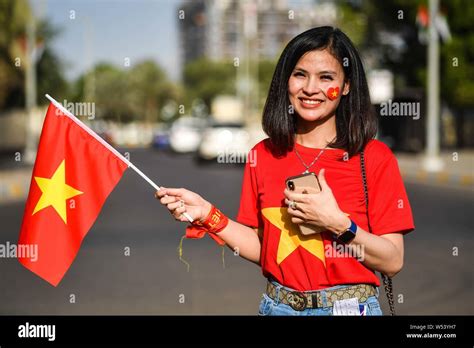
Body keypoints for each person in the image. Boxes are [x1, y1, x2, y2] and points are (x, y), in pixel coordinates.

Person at [156, 26, 414, 316]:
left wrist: (338, 223)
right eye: (300, 74)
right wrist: (207, 215)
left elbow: (392, 261)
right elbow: (263, 248)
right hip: (278, 307)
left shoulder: (374, 157)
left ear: (346, 86)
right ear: (285, 81)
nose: (310, 88)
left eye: (326, 77)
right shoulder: (262, 155)